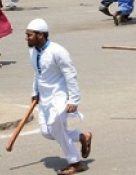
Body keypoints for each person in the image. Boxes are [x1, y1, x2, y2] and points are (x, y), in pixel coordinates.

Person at [26, 18, 92, 175]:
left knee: (56, 126)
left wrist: (73, 100)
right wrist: (34, 92)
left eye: (29, 35)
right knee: (47, 131)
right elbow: (38, 74)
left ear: (40, 35)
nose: (26, 38)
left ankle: (75, 163)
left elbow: (70, 75)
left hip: (59, 96)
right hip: (45, 97)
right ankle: (81, 136)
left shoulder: (58, 51)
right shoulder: (33, 51)